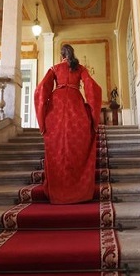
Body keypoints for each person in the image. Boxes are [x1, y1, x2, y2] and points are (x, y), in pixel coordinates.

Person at [34, 44, 102, 204]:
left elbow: (41, 89)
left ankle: (58, 192)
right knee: (75, 146)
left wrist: (42, 119)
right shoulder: (80, 68)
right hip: (75, 105)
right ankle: (78, 191)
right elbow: (92, 88)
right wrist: (93, 117)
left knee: (57, 148)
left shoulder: (55, 68)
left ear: (61, 55)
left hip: (55, 110)